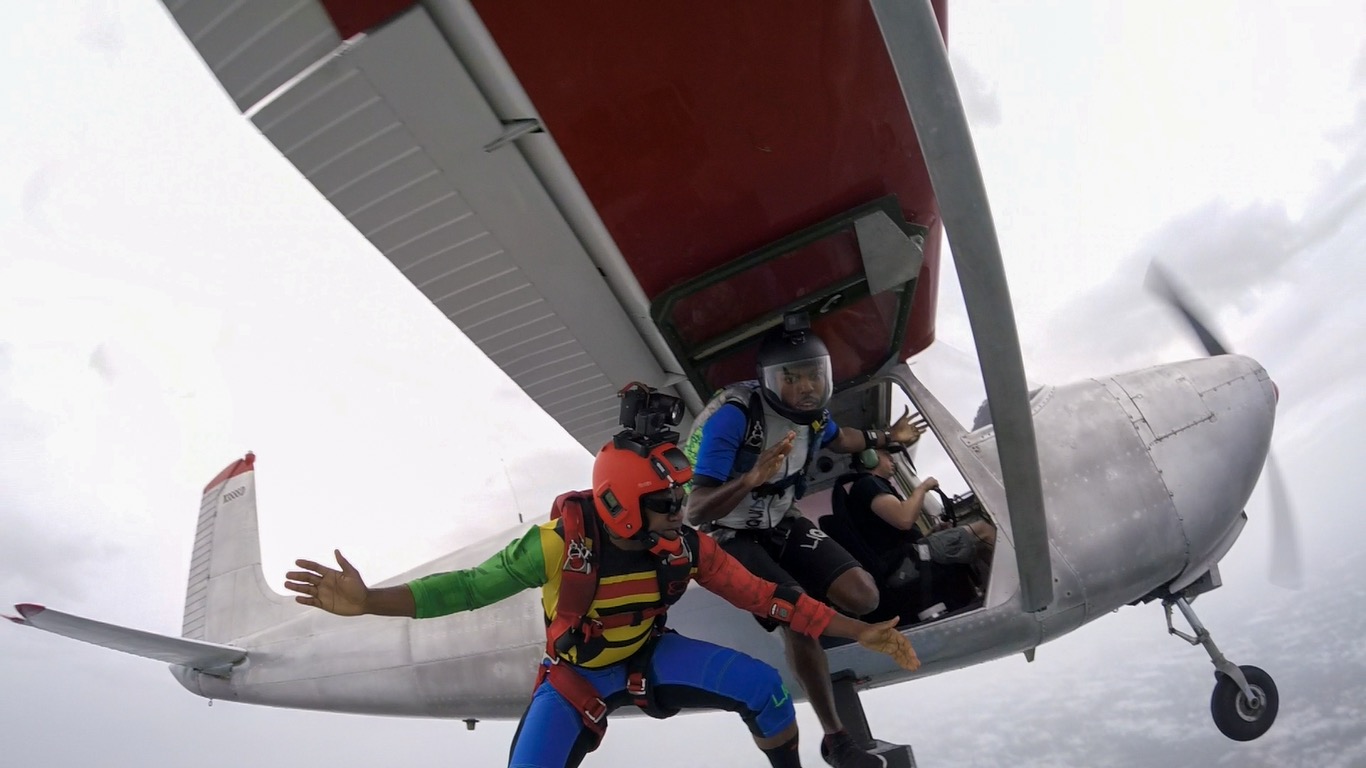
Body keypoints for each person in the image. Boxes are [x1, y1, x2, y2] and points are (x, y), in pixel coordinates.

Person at [285, 424, 919, 768]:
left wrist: (859, 631)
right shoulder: (559, 545)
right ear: (618, 507)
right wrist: (372, 602)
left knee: (768, 691)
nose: (680, 513)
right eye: (665, 504)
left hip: (646, 656)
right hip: (573, 679)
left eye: (679, 499)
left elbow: (765, 597)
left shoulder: (684, 547)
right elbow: (468, 588)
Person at [683, 316, 926, 768]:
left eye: (814, 375)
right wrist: (752, 479)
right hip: (729, 532)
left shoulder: (813, 419)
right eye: (792, 379)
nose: (807, 388)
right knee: (799, 619)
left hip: (780, 518)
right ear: (770, 382)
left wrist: (887, 437)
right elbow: (696, 510)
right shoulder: (737, 418)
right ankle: (837, 740)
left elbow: (841, 439)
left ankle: (811, 614)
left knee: (864, 594)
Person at [843, 447, 995, 622]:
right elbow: (904, 519)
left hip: (905, 559)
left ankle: (989, 592)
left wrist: (931, 533)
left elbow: (896, 534)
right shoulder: (868, 484)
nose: (892, 461)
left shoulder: (867, 487)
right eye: (887, 455)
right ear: (869, 457)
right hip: (904, 564)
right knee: (984, 531)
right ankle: (1011, 589)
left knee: (971, 541)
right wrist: (923, 487)